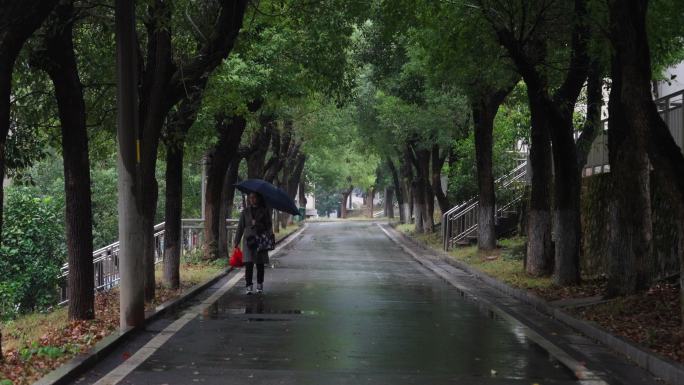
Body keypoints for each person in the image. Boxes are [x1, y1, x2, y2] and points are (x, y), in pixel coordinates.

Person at [234, 192, 273, 295]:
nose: (252, 199)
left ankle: (260, 284)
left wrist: (258, 224)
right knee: (248, 264)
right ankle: (249, 286)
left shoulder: (264, 211)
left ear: (258, 198)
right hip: (248, 241)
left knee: (260, 264)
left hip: (260, 240)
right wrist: (236, 242)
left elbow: (269, 226)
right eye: (250, 198)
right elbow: (240, 227)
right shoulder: (245, 212)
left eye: (254, 197)